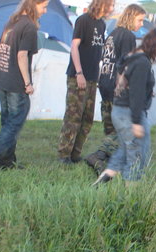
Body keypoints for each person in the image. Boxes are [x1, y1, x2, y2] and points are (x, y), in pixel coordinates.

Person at [93, 28, 156, 185]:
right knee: (137, 155)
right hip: (130, 113)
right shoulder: (142, 62)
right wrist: (136, 122)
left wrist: (146, 91)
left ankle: (105, 177)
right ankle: (131, 193)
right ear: (154, 45)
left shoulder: (132, 56)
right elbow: (136, 92)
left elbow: (125, 76)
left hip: (119, 110)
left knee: (125, 150)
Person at [0, 0, 48, 169]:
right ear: (33, 5)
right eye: (44, 6)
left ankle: (7, 161)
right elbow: (22, 56)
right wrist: (28, 83)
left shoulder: (12, 22)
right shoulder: (29, 27)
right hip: (15, 82)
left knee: (8, 121)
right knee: (15, 122)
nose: (45, 10)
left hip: (1, 76)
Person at [85, 3, 146, 175]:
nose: (141, 24)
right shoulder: (127, 36)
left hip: (104, 83)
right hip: (115, 87)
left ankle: (109, 164)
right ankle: (98, 156)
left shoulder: (113, 34)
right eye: (140, 20)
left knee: (111, 127)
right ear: (130, 16)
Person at [57, 0, 114, 165]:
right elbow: (74, 47)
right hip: (78, 76)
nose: (112, 8)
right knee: (73, 116)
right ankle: (64, 154)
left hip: (92, 77)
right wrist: (79, 72)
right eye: (110, 5)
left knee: (87, 118)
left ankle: (76, 153)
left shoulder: (101, 24)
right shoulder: (83, 20)